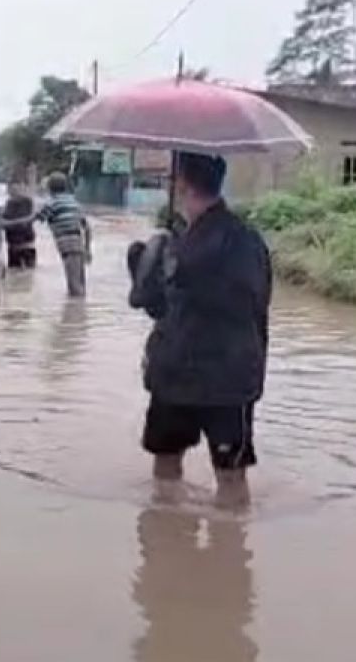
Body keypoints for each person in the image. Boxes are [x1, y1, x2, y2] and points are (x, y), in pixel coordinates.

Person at [130, 153, 272, 507]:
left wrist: (186, 272)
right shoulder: (179, 239)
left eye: (172, 180)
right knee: (169, 463)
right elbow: (156, 305)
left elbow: (243, 301)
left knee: (228, 472)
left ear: (181, 184)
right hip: (181, 372)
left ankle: (183, 545)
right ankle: (177, 544)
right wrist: (145, 270)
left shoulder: (238, 241)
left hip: (223, 377)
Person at [37, 172, 92, 297]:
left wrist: (9, 222)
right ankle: (80, 312)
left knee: (74, 287)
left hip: (67, 246)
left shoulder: (52, 203)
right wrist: (87, 249)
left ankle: (75, 314)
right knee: (80, 284)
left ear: (50, 188)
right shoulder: (74, 202)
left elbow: (36, 218)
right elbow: (87, 227)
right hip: (79, 244)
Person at [2, 181, 38, 269]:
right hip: (13, 244)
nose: (14, 191)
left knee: (29, 270)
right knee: (14, 270)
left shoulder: (28, 202)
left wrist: (12, 223)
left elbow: (32, 217)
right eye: (12, 189)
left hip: (27, 242)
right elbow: (3, 222)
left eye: (16, 189)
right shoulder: (9, 203)